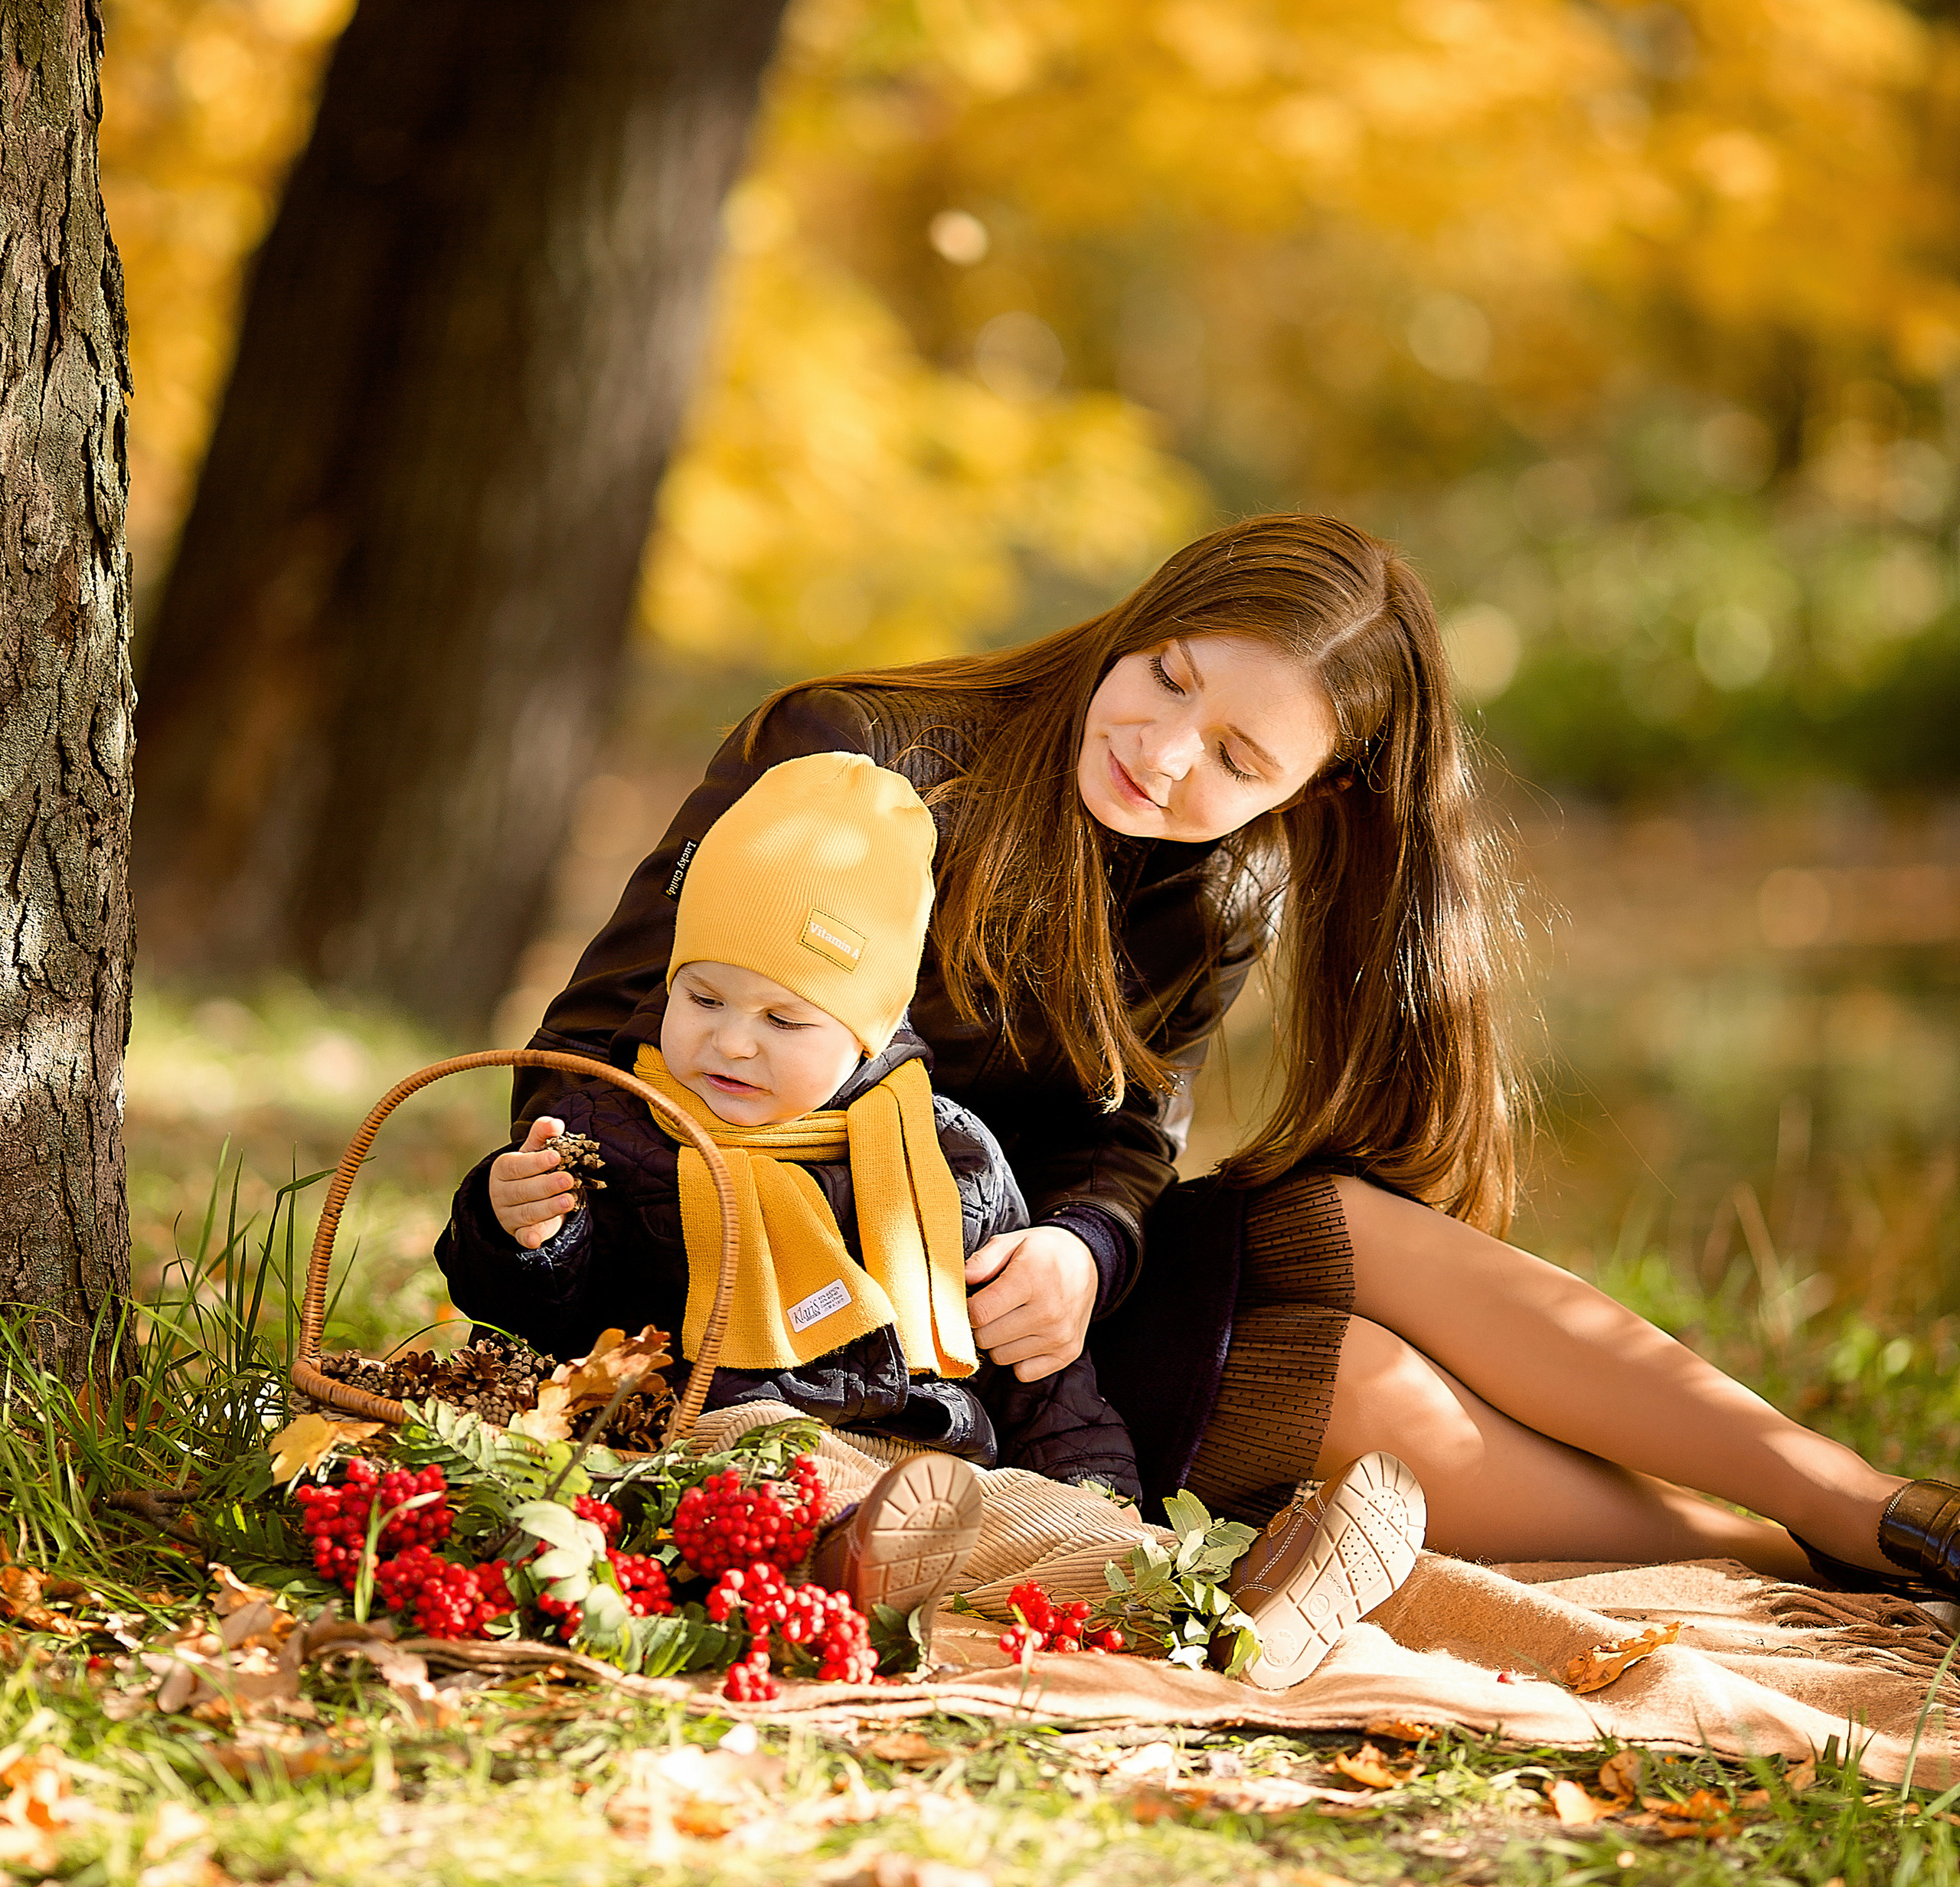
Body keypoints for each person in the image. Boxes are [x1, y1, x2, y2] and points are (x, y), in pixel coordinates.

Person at [482, 511, 1960, 1614]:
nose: (1168, 753)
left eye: (1243, 761)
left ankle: (1862, 1506)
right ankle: (1782, 1557)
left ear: (1317, 793)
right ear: (1138, 623)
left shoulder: (1220, 889)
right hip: (797, 1313)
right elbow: (584, 1049)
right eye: (1171, 678)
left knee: (1342, 1223)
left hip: (1024, 1317)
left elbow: (1128, 1143)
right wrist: (568, 1203)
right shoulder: (858, 753)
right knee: (1362, 1383)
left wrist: (1080, 1249)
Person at [437, 749, 1140, 1502]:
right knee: (773, 1450)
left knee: (1034, 1514)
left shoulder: (948, 1158)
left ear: (868, 1034)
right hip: (708, 1451)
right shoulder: (611, 1127)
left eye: (784, 1019)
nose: (733, 1042)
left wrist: (1094, 1485)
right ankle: (880, 1539)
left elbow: (1036, 1373)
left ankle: (1075, 1542)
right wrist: (519, 1234)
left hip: (924, 1452)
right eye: (704, 999)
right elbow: (530, 1327)